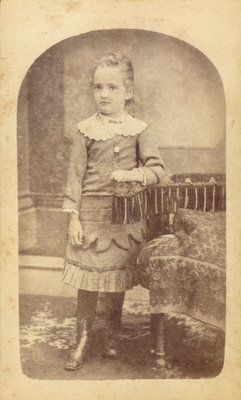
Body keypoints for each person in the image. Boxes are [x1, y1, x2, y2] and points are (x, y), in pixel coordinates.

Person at [62, 53, 169, 370]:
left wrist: (137, 176)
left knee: (114, 281)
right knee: (88, 282)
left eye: (111, 87)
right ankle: (81, 340)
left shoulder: (138, 129)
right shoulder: (85, 130)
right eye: (98, 87)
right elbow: (74, 178)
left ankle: (110, 334)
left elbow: (157, 169)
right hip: (91, 218)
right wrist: (74, 218)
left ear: (128, 92)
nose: (104, 94)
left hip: (123, 220)